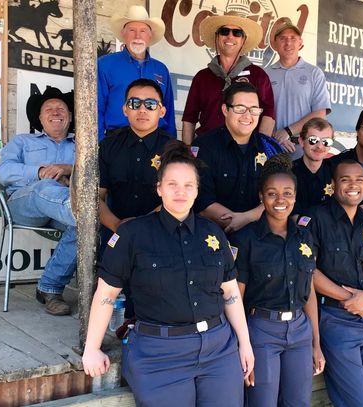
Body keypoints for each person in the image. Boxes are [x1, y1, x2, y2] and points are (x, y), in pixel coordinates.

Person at [82, 141, 254, 406]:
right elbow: (106, 293)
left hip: (218, 350)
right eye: (172, 184)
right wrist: (92, 348)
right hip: (159, 355)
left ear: (197, 190)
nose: (180, 192)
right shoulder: (132, 235)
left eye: (188, 185)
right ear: (159, 188)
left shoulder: (214, 234)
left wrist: (245, 343)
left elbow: (230, 293)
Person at [229, 154, 324, 406]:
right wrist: (242, 345)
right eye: (272, 193)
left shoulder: (304, 237)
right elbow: (235, 296)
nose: (280, 200)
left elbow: (309, 291)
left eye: (287, 193)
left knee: (298, 402)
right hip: (261, 330)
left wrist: (316, 342)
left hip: (300, 331)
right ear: (261, 197)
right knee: (263, 402)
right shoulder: (246, 239)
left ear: (295, 195)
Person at [307, 159, 363, 407]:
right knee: (357, 402)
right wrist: (351, 299)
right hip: (335, 319)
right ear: (332, 185)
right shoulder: (316, 218)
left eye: (359, 180)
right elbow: (309, 271)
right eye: (345, 179)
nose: (354, 185)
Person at [0, 87, 76, 316]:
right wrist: (39, 172)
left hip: (59, 211)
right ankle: (80, 212)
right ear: (40, 118)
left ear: (69, 116)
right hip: (24, 204)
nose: (56, 112)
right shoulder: (23, 141)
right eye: (49, 109)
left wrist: (69, 168)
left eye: (61, 108)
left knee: (85, 228)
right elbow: (4, 171)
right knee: (46, 186)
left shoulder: (81, 146)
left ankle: (49, 288)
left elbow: (95, 173)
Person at [98, 78, 173, 319]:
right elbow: (96, 197)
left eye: (150, 104)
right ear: (124, 108)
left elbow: (177, 199)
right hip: (116, 230)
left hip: (161, 233)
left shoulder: (175, 149)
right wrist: (117, 226)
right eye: (135, 102)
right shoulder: (108, 146)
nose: (142, 109)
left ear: (162, 110)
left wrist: (140, 227)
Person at [192, 82, 282, 234]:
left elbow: (279, 197)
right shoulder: (204, 146)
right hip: (211, 235)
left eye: (254, 110)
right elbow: (202, 201)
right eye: (240, 109)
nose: (247, 116)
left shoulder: (270, 149)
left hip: (259, 236)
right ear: (225, 110)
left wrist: (245, 218)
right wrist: (235, 222)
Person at [182, 11, 275, 144]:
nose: (230, 36)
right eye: (224, 31)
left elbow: (269, 114)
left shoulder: (258, 75)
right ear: (217, 37)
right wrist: (187, 153)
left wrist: (259, 149)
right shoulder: (202, 77)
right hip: (207, 148)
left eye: (237, 33)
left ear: (243, 40)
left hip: (244, 150)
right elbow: (189, 118)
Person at [98, 5, 176, 139]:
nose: (137, 36)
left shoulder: (161, 69)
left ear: (150, 36)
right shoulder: (105, 65)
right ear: (123, 34)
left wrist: (172, 148)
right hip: (117, 140)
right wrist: (99, 145)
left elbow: (168, 112)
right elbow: (96, 109)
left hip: (156, 142)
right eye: (132, 30)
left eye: (143, 31)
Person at [266, 21, 331, 159]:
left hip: (304, 149)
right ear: (275, 43)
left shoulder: (314, 73)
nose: (288, 43)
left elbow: (320, 112)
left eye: (293, 38)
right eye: (283, 38)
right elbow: (259, 111)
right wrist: (276, 138)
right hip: (272, 147)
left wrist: (287, 132)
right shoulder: (265, 74)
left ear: (300, 43)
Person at [292, 118, 334, 217]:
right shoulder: (287, 173)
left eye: (326, 141)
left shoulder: (337, 172)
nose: (320, 146)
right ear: (302, 141)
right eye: (313, 140)